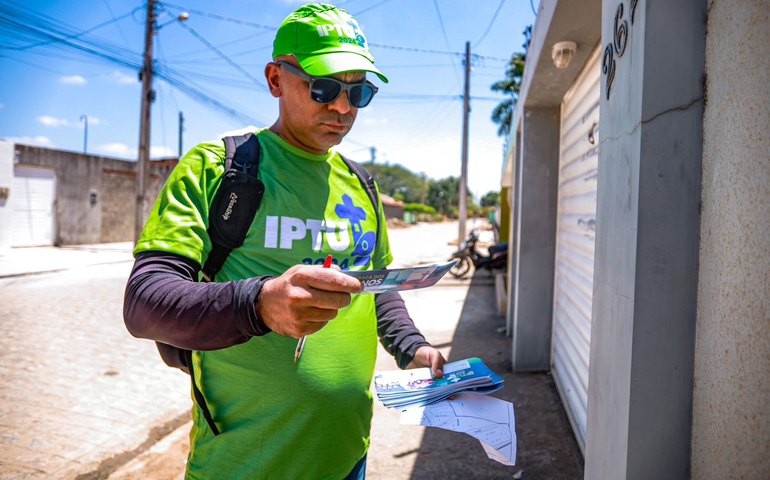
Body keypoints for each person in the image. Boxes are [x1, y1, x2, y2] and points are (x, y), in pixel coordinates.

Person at [123, 3, 447, 479]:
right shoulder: (220, 169)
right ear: (275, 80)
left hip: (346, 458)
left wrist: (411, 347)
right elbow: (144, 302)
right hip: (243, 467)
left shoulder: (362, 184)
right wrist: (259, 303)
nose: (342, 107)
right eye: (324, 87)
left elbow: (377, 289)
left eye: (358, 92)